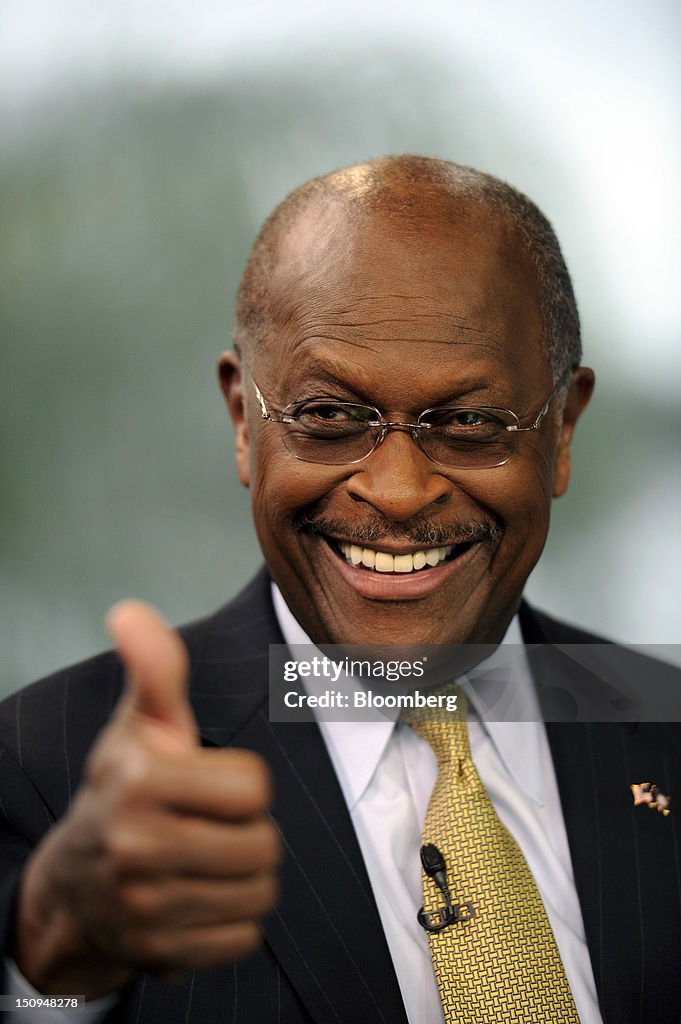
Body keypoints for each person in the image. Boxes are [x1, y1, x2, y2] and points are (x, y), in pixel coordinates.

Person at [1, 156, 679, 1024]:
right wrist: (54, 958)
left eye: (470, 422)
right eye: (328, 416)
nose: (396, 492)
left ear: (563, 429)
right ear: (245, 421)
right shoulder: (43, 776)